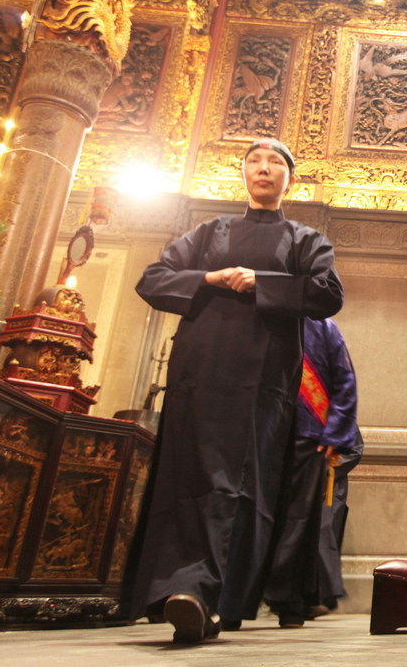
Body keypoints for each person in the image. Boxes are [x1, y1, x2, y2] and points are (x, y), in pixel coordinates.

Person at [129, 138, 344, 643]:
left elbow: (328, 294)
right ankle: (183, 592)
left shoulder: (304, 239)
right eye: (253, 161)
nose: (263, 168)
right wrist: (209, 277)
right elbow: (152, 279)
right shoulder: (209, 232)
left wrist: (261, 282)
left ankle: (212, 598)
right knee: (189, 477)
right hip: (198, 376)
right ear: (242, 173)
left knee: (242, 486)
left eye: (275, 162)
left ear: (290, 178)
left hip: (263, 384)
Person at [264, 316, 364, 627]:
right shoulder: (257, 317)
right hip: (261, 433)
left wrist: (334, 432)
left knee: (298, 524)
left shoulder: (323, 327)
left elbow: (344, 381)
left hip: (308, 438)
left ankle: (290, 602)